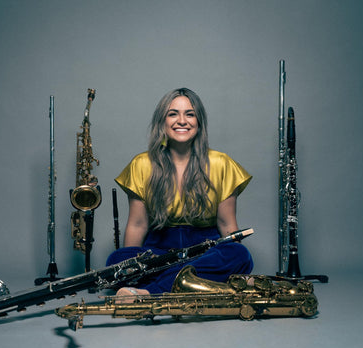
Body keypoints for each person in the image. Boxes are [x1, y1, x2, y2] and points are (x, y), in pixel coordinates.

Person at [106, 87, 253, 296]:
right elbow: (138, 225)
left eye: (190, 114)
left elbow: (226, 225)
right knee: (116, 260)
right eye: (173, 113)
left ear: (199, 122)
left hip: (206, 251)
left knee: (239, 255)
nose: (182, 121)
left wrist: (236, 265)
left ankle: (149, 292)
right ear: (162, 122)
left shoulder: (222, 163)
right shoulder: (141, 164)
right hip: (157, 252)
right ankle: (192, 281)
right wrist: (128, 269)